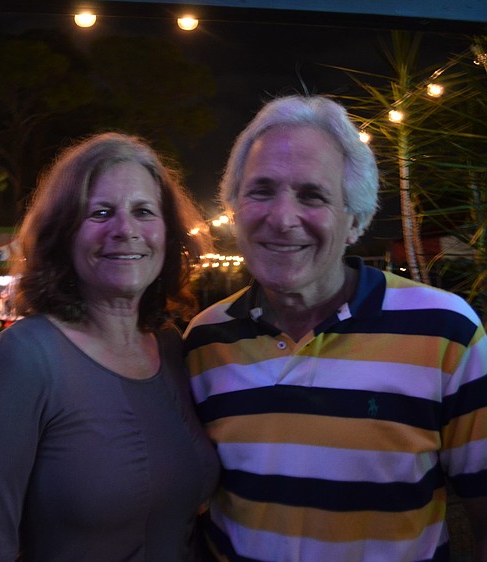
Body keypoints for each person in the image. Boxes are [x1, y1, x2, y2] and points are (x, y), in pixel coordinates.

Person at [183, 94, 487, 561]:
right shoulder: (205, 339)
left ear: (356, 221)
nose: (282, 219)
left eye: (312, 195)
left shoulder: (446, 333)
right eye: (261, 191)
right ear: (236, 209)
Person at [0, 132, 221, 561]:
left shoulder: (172, 348)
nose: (125, 230)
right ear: (64, 234)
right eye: (100, 212)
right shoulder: (27, 356)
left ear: (167, 234)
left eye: (144, 211)